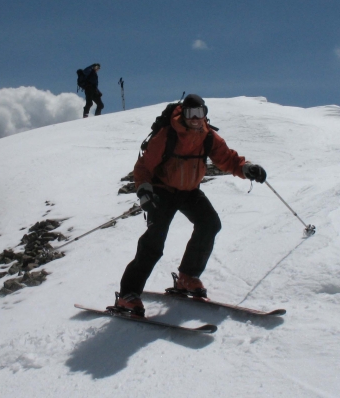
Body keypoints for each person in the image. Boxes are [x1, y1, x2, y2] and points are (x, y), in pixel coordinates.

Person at [114, 94, 267, 316]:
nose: (195, 119)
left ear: (205, 114)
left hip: (189, 191)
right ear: (183, 114)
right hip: (162, 191)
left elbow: (227, 158)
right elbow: (144, 166)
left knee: (210, 224)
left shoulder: (208, 136)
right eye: (190, 114)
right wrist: (145, 191)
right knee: (154, 242)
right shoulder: (167, 135)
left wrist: (246, 169)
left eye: (200, 114)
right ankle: (128, 295)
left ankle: (187, 277)